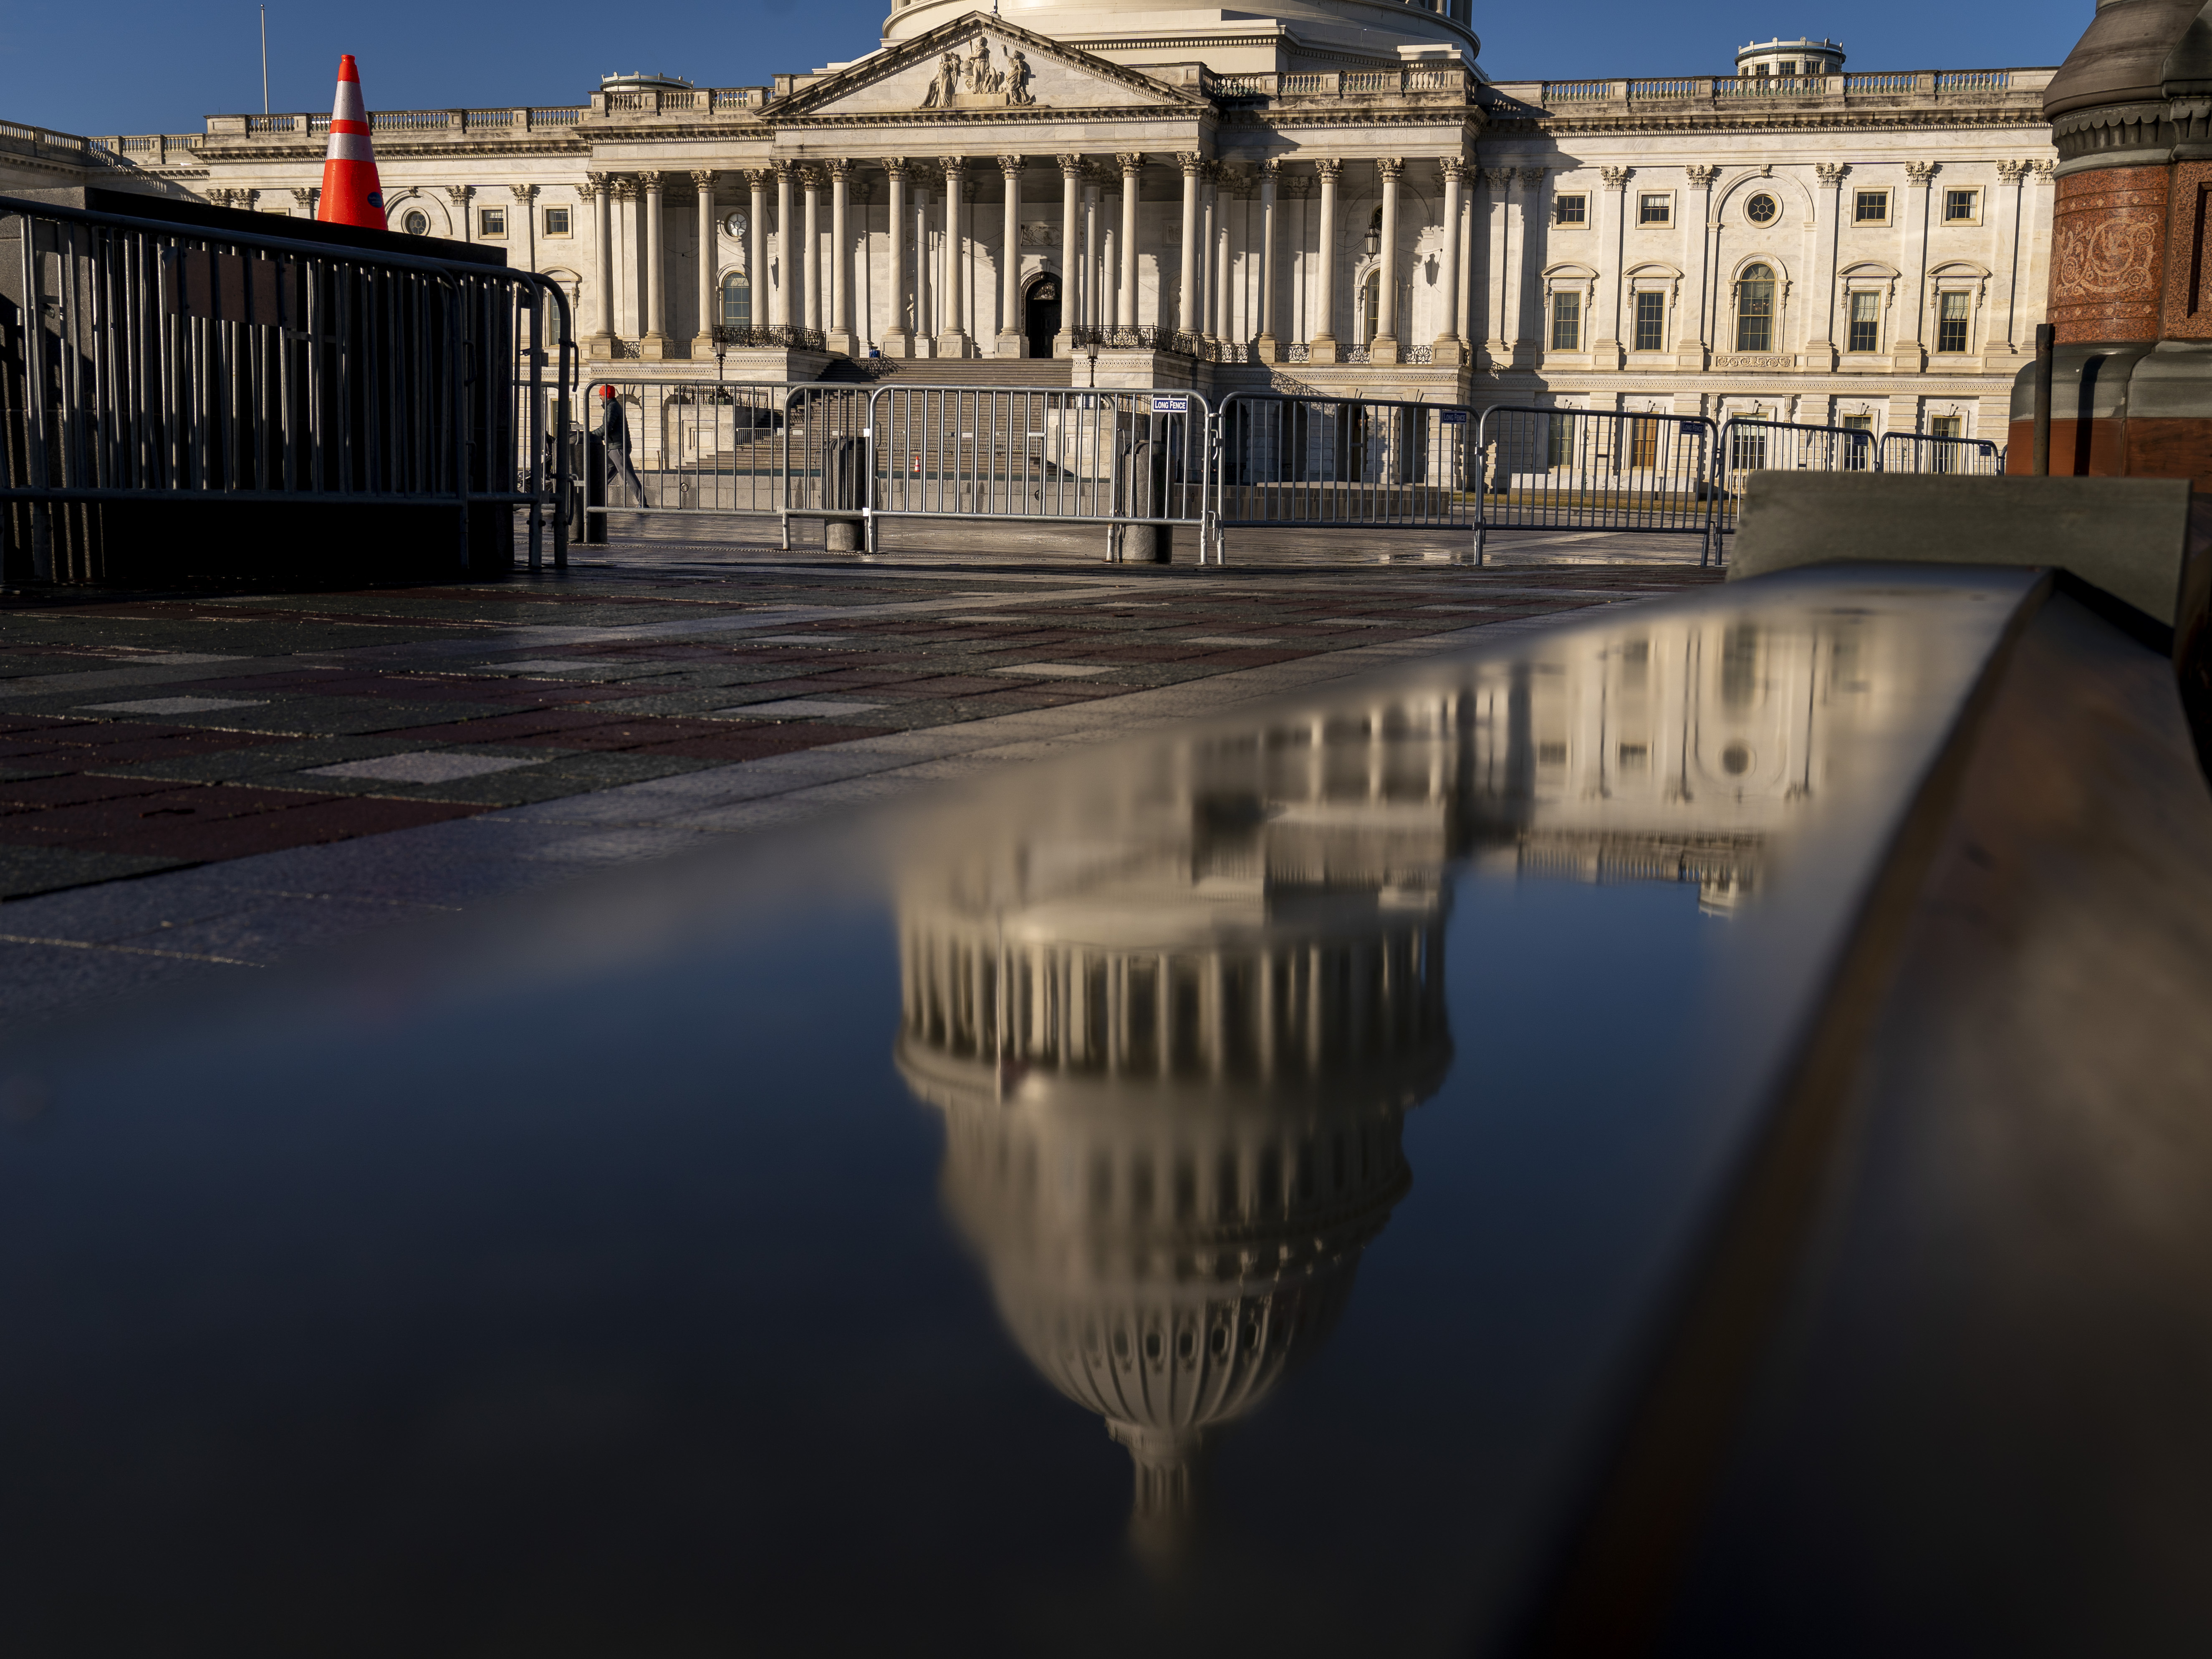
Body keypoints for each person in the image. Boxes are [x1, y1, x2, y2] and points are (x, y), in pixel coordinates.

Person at [598, 386, 648, 505]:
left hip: (617, 448)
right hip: (613, 448)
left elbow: (607, 427)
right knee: (602, 476)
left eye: (601, 395)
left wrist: (591, 435)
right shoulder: (612, 406)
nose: (600, 397)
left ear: (606, 396)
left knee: (628, 476)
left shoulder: (612, 407)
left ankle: (643, 504)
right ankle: (592, 502)